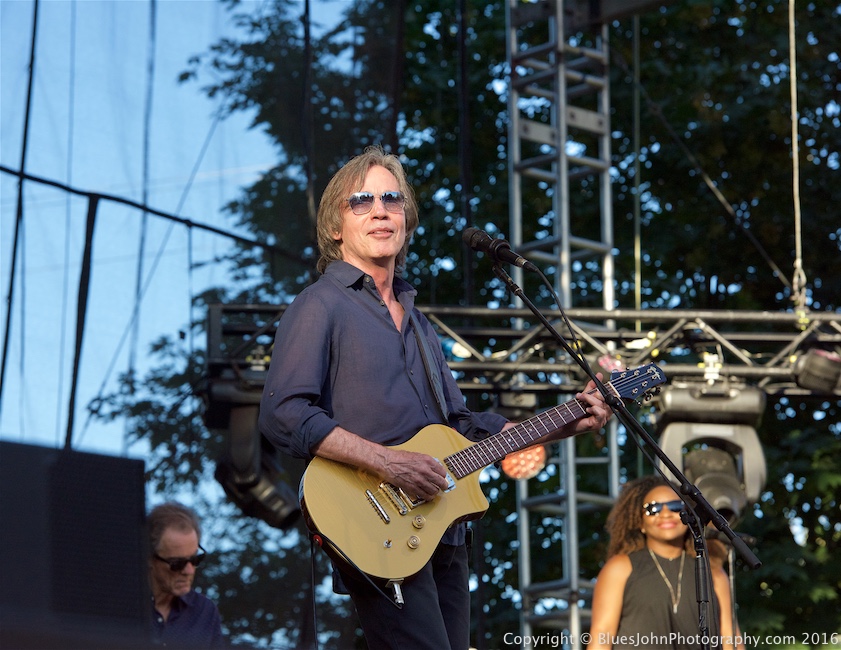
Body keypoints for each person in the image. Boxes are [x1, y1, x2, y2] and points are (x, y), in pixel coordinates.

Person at [258, 145, 612, 650]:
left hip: (443, 528)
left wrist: (571, 420)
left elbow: (461, 428)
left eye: (392, 199)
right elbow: (283, 414)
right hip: (375, 521)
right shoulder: (319, 305)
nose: (380, 211)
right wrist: (389, 463)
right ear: (336, 226)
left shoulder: (421, 324)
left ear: (407, 219)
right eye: (362, 201)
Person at [586, 475, 744, 650]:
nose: (666, 514)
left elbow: (730, 637)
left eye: (675, 506)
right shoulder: (620, 568)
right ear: (640, 522)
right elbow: (602, 635)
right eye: (653, 508)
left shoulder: (712, 572)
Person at [148, 502, 225, 649]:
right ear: (149, 558)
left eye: (195, 559)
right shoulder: (119, 607)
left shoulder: (205, 612)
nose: (189, 571)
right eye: (177, 563)